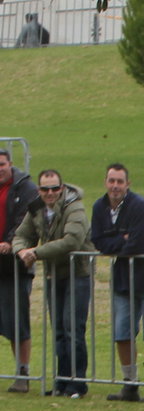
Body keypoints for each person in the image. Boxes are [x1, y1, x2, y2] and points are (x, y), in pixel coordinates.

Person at [90, 164, 144, 403]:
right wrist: (120, 240)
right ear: (105, 182)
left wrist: (116, 242)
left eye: (120, 181)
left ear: (128, 184)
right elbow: (98, 241)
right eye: (111, 181)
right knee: (121, 332)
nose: (115, 186)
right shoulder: (99, 207)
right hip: (123, 280)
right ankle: (130, 383)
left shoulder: (140, 206)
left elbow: (139, 243)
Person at [12, 170, 90, 397]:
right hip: (53, 274)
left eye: (54, 188)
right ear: (39, 190)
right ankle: (61, 382)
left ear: (62, 187)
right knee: (58, 329)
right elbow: (20, 235)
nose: (50, 193)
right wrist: (22, 251)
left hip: (78, 273)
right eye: (45, 189)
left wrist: (35, 252)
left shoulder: (74, 206)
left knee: (72, 328)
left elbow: (71, 240)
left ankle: (78, 383)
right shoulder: (36, 207)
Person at [0, 150, 39, 392]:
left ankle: (22, 372)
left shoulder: (25, 188)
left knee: (17, 321)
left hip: (15, 265)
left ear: (10, 165)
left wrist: (10, 242)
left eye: (2, 164)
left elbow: (27, 221)